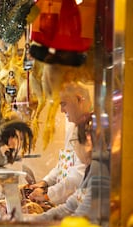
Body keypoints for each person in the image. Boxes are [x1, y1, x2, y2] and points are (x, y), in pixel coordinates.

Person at [27, 64, 93, 205]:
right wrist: (45, 182)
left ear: (79, 99)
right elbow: (65, 162)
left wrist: (48, 194)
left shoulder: (91, 129)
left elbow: (78, 174)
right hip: (69, 203)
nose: (62, 110)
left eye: (64, 104)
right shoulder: (71, 124)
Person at [26, 114, 109, 220]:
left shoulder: (99, 170)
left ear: (88, 143)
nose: (75, 148)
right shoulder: (91, 168)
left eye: (75, 143)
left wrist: (48, 195)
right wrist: (31, 220)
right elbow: (70, 206)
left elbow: (78, 215)